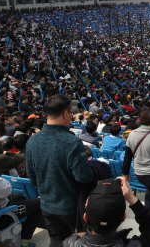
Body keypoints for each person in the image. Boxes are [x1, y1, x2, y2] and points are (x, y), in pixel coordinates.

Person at [26, 94, 96, 247]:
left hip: (46, 204)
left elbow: (31, 177)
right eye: (71, 113)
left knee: (55, 240)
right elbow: (83, 177)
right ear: (66, 113)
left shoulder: (32, 140)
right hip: (69, 207)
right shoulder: (73, 143)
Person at [63, 177, 150, 247]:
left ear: (85, 217)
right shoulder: (136, 244)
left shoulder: (70, 243)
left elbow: (76, 236)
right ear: (124, 217)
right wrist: (132, 199)